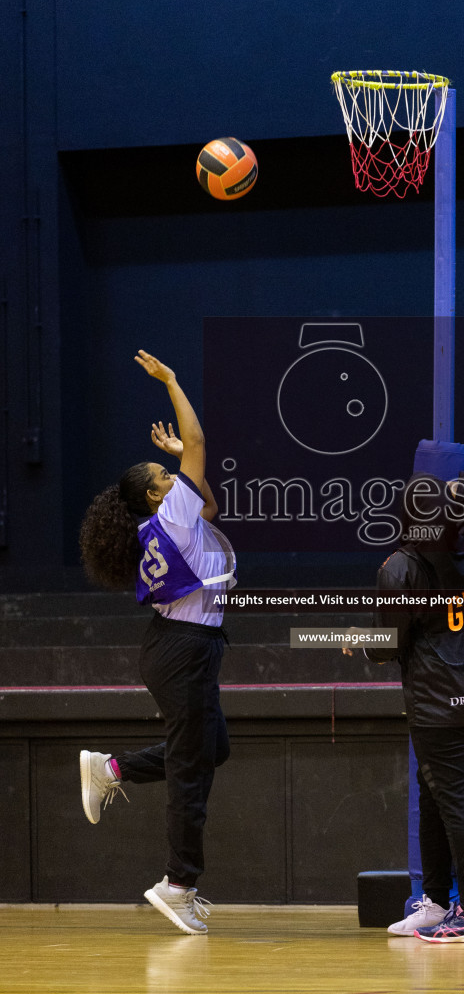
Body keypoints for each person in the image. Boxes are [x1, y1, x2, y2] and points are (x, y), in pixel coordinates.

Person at [78, 350, 236, 935]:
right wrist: (172, 382)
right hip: (183, 648)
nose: (174, 474)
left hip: (181, 646)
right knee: (192, 769)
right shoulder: (169, 517)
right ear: (153, 496)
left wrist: (181, 463)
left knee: (209, 748)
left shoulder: (169, 518)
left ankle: (111, 767)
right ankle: (178, 883)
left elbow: (211, 503)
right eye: (164, 475)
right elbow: (198, 441)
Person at [368, 473, 464, 944]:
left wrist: (349, 639)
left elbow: (386, 644)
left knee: (457, 803)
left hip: (441, 701)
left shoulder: (400, 565)